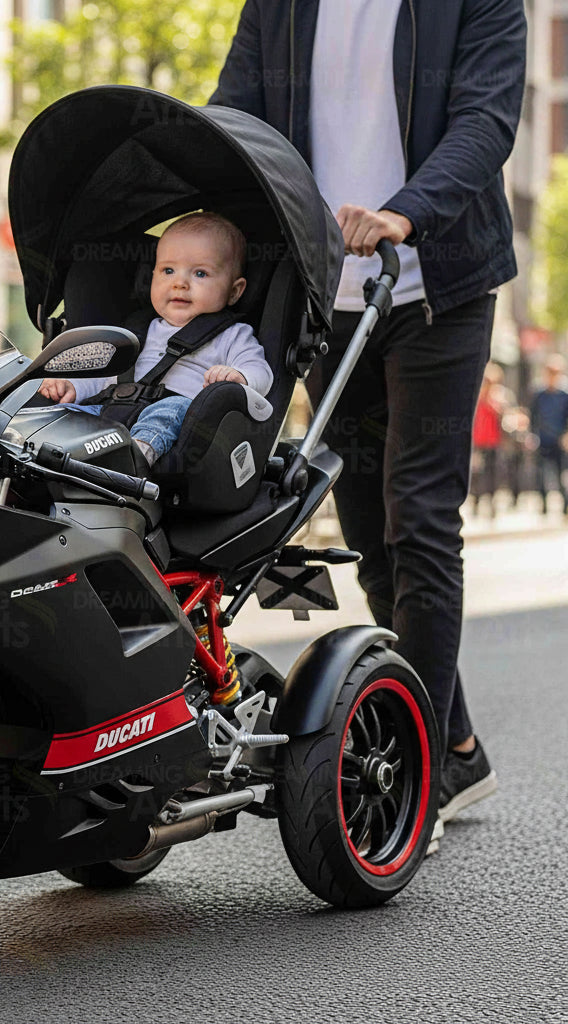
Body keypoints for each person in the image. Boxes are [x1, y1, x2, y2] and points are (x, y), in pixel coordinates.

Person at [211, 0, 526, 833]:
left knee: (419, 516)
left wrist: (405, 210)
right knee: (366, 529)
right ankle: (451, 743)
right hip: (326, 294)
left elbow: (486, 122)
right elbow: (235, 110)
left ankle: (415, 774)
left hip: (436, 285)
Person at [39, 212, 273, 464]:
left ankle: (136, 458)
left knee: (171, 410)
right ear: (152, 276)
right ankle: (47, 451)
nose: (180, 283)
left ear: (234, 291)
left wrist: (240, 377)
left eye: (200, 274)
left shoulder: (232, 334)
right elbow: (105, 378)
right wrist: (73, 388)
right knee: (67, 414)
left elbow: (261, 371)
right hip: (113, 412)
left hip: (183, 421)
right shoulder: (137, 329)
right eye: (168, 270)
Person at [528, 355, 568, 516]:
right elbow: (533, 415)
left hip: (559, 440)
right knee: (541, 474)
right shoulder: (539, 394)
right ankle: (543, 504)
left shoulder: (564, 395)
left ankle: (565, 504)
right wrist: (531, 435)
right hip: (542, 439)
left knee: (560, 474)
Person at [469, 363, 507, 519]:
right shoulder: (476, 396)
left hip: (494, 442)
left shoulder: (500, 396)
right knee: (477, 474)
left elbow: (504, 415)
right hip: (478, 442)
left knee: (493, 474)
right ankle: (476, 502)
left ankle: (492, 504)